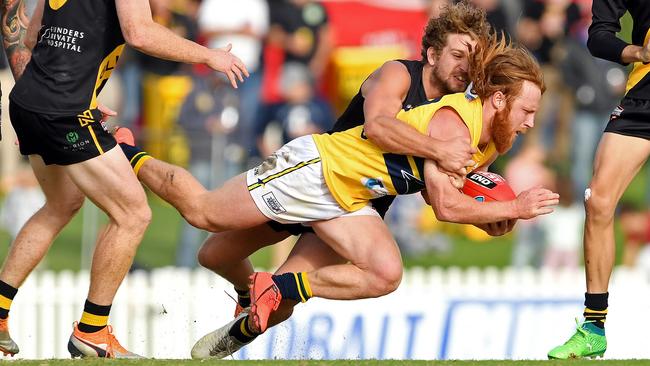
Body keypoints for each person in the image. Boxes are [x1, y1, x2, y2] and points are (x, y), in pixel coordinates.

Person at [115, 34, 558, 358]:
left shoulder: (492, 137)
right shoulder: (424, 96)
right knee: (204, 219)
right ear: (498, 99)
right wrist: (513, 205)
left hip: (352, 201)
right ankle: (125, 148)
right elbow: (409, 164)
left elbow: (448, 195)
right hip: (319, 171)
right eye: (527, 111)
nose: (531, 123)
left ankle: (272, 290)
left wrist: (494, 215)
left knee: (382, 275)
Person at [0, 0, 248, 359]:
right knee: (133, 214)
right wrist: (209, 56)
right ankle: (92, 331)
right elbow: (139, 33)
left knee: (60, 205)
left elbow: (36, 33)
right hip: (63, 111)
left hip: (29, 101)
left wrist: (72, 88)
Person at [547, 0, 650, 359]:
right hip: (645, 93)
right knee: (599, 201)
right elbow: (599, 36)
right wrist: (638, 50)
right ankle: (593, 327)